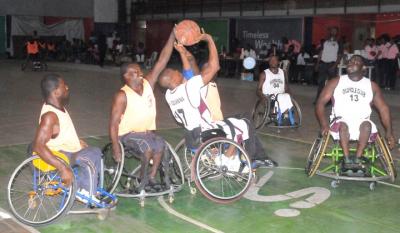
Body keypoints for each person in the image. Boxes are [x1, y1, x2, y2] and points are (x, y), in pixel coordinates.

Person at [159, 33, 277, 168]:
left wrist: (182, 52)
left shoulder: (170, 94)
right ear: (173, 80)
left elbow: (187, 72)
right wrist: (209, 39)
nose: (177, 70)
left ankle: (257, 156)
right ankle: (248, 160)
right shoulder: (191, 87)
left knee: (244, 116)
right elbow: (213, 66)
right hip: (207, 130)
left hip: (191, 136)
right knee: (244, 125)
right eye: (174, 71)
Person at [109, 30, 175, 189]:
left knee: (160, 145)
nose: (141, 74)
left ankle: (151, 178)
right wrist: (116, 146)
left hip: (147, 133)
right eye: (136, 72)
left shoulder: (148, 84)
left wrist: (172, 34)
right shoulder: (122, 95)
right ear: (126, 76)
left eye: (140, 71)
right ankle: (141, 179)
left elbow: (162, 60)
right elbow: (113, 124)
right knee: (147, 147)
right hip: (127, 135)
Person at [315, 55, 395, 173]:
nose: (351, 63)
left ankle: (357, 159)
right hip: (340, 121)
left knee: (367, 125)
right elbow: (320, 103)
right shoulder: (336, 81)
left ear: (363, 69)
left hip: (362, 121)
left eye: (355, 61)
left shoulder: (371, 86)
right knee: (343, 125)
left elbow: (383, 109)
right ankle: (347, 160)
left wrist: (389, 133)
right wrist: (323, 124)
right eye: (350, 61)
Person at [33, 74, 103, 201]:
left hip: (67, 150)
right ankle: (85, 191)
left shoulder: (58, 109)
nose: (67, 87)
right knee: (93, 153)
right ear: (56, 92)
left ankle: (83, 186)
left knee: (93, 151)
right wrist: (62, 168)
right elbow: (38, 146)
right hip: (63, 155)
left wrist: (77, 142)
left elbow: (59, 134)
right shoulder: (50, 116)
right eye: (63, 86)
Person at [174, 42, 224, 122]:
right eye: (206, 68)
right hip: (209, 124)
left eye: (208, 68)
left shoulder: (202, 84)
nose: (207, 69)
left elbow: (192, 60)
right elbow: (192, 61)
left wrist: (184, 51)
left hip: (213, 123)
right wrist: (184, 51)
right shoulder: (197, 84)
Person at [257, 56, 296, 126]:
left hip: (282, 97)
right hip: (269, 98)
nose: (273, 62)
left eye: (275, 60)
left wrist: (290, 94)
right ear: (269, 63)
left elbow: (286, 86)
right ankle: (283, 116)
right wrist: (263, 98)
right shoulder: (264, 74)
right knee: (281, 97)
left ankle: (285, 116)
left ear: (278, 62)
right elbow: (258, 89)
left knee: (286, 96)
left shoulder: (283, 72)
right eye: (271, 60)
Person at [314, 27, 342, 103]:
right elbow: (321, 52)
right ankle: (319, 100)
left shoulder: (339, 42)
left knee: (332, 84)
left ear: (337, 33)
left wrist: (334, 66)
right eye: (332, 31)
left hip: (332, 64)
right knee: (321, 83)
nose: (333, 32)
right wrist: (317, 63)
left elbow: (339, 55)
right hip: (323, 63)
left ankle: (330, 100)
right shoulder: (325, 41)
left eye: (335, 31)